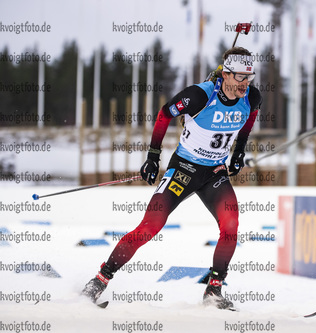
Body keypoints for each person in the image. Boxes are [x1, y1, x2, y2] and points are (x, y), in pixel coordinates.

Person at [82, 46, 262, 310]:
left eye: (249, 78)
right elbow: (165, 113)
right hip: (183, 170)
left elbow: (249, 119)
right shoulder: (200, 95)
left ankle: (214, 291)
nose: (245, 84)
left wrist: (239, 151)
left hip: (214, 173)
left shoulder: (252, 97)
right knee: (150, 226)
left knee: (231, 223)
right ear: (225, 74)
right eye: (239, 77)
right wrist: (153, 157)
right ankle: (98, 280)